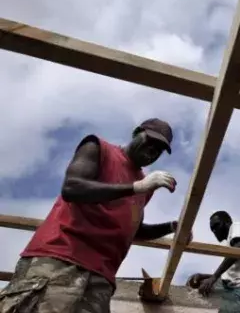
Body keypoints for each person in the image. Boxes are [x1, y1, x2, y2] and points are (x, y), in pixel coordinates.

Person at [0, 118, 193, 313]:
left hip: (101, 279)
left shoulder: (145, 187)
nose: (152, 150)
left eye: (159, 149)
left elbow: (133, 230)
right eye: (150, 141)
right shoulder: (99, 148)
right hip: (61, 259)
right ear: (136, 133)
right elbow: (72, 188)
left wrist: (170, 227)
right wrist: (135, 187)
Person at [187, 211, 240, 313]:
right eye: (212, 229)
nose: (215, 231)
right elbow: (226, 275)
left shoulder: (238, 226)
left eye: (216, 225)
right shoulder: (229, 248)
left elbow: (239, 248)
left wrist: (214, 277)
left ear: (228, 222)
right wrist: (203, 277)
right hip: (235, 284)